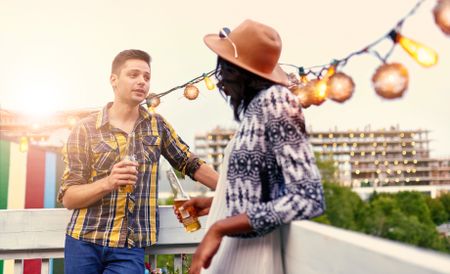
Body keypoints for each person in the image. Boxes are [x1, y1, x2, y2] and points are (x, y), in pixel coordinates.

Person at [178, 20, 325, 274]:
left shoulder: (277, 102)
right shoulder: (258, 108)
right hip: (232, 254)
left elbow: (307, 198)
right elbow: (262, 192)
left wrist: (219, 228)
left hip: (250, 259)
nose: (219, 77)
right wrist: (215, 203)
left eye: (223, 66)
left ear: (238, 71)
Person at [58, 49, 218, 274]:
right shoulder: (85, 128)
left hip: (129, 246)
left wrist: (233, 189)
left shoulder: (157, 125)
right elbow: (69, 198)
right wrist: (109, 182)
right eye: (133, 75)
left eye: (146, 77)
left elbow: (190, 163)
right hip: (83, 241)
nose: (142, 81)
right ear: (114, 80)